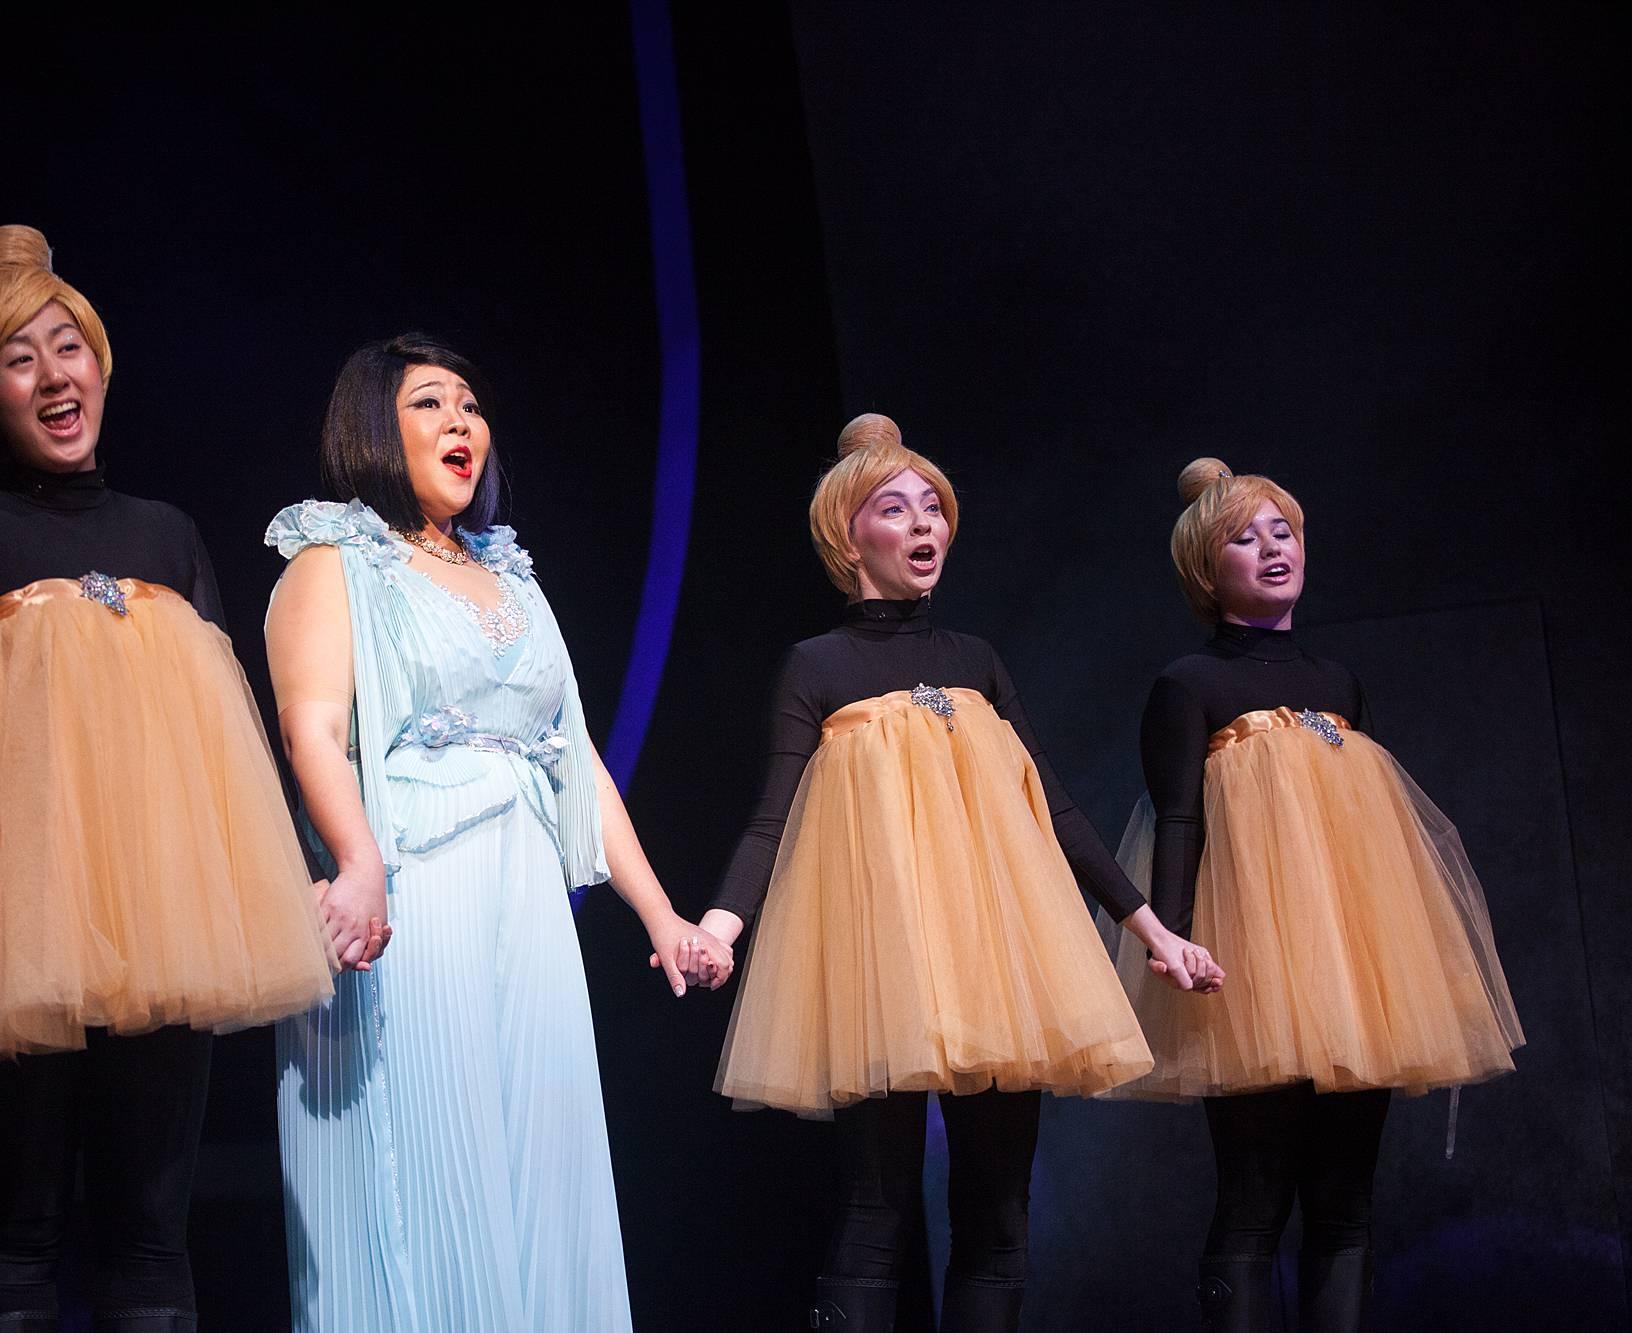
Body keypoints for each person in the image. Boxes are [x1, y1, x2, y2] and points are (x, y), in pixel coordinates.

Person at [0, 225, 341, 1332]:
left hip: (168, 911)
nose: (55, 376)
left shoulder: (169, 532)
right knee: (19, 1225)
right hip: (24, 912)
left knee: (153, 1230)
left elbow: (228, 729)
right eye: (20, 359)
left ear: (101, 363)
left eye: (69, 347)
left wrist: (279, 873)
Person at [695, 415, 1220, 1333]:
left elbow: (1052, 807)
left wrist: (1154, 930)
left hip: (995, 957)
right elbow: (772, 817)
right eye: (895, 508)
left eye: (934, 506)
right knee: (874, 1215)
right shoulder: (818, 667)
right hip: (881, 958)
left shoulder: (975, 660)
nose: (924, 523)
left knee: (998, 1217)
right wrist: (720, 924)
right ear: (847, 535)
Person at [263, 334, 728, 1333]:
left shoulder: (509, 572)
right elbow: (313, 729)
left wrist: (659, 912)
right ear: (372, 428)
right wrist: (356, 863)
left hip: (522, 894)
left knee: (539, 1153)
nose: (460, 422)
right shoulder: (332, 559)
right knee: (437, 1150)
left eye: (469, 405)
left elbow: (576, 756)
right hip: (411, 883)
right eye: (430, 403)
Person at [1113, 457, 1523, 1331]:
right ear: (1203, 568)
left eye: (1283, 530)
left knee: (1346, 1203)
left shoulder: (1339, 685)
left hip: (1354, 968)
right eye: (1242, 536)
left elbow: (1367, 835)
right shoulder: (1192, 684)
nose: (1271, 548)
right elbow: (1179, 817)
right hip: (1251, 968)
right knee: (1256, 1198)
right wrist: (1173, 939)